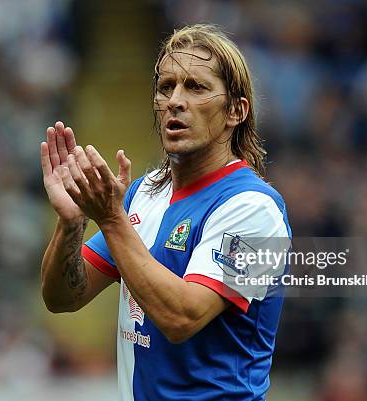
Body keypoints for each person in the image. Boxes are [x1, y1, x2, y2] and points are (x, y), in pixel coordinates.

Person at [40, 24, 291, 401]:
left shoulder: (257, 211)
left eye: (196, 87)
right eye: (166, 87)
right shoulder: (144, 193)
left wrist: (109, 219)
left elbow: (182, 318)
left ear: (236, 110)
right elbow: (62, 298)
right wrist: (72, 222)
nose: (174, 100)